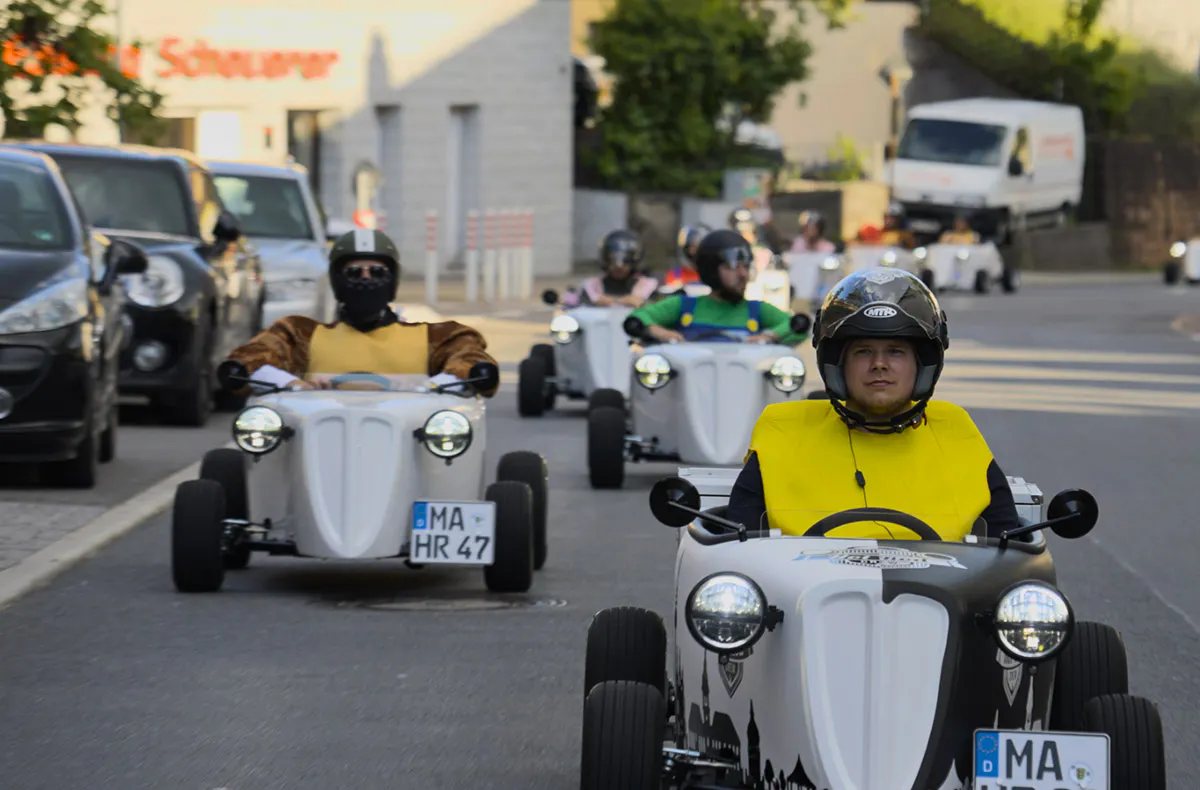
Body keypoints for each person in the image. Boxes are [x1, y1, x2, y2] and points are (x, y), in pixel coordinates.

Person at [726, 267, 1019, 541]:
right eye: (863, 352)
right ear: (837, 365)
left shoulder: (955, 432)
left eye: (896, 351)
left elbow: (1012, 545)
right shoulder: (783, 431)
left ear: (923, 365)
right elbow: (734, 543)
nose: (879, 364)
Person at [225, 228, 500, 395]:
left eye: (377, 272)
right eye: (354, 272)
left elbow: (470, 359)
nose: (366, 279)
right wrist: (295, 386)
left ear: (392, 280)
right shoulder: (299, 334)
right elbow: (250, 359)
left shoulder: (438, 337)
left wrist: (431, 388)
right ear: (337, 280)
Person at [626, 229, 808, 345]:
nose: (743, 274)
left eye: (746, 266)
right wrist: (659, 332)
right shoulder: (684, 306)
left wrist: (769, 336)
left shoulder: (756, 310)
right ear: (711, 270)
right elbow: (637, 318)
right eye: (733, 267)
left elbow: (800, 327)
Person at [561, 229, 658, 307]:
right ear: (606, 260)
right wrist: (592, 304)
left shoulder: (648, 287)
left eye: (626, 262)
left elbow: (660, 311)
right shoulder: (591, 287)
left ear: (634, 261)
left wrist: (642, 305)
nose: (619, 267)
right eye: (613, 261)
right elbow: (575, 310)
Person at [663, 223, 710, 288]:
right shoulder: (675, 275)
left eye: (696, 247)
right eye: (688, 248)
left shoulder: (713, 275)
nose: (692, 252)